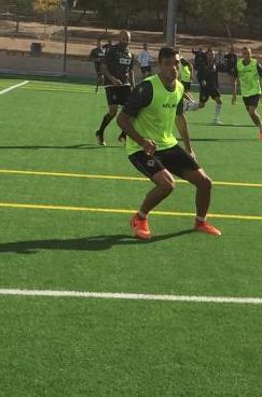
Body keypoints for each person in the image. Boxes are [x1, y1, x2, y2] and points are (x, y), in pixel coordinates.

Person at [116, 46, 221, 240]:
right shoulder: (147, 87)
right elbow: (121, 119)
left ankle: (200, 222)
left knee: (205, 183)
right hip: (140, 148)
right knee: (167, 185)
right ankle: (139, 218)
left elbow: (180, 118)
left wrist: (189, 148)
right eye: (168, 64)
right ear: (159, 65)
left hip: (168, 144)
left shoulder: (180, 87)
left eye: (177, 63)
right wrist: (142, 141)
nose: (173, 68)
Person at [96, 30, 135, 146]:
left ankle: (123, 136)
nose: (126, 41)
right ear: (119, 38)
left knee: (133, 112)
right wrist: (113, 79)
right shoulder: (112, 51)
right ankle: (100, 132)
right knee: (113, 112)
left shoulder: (130, 54)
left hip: (125, 85)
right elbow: (103, 68)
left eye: (128, 39)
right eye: (124, 38)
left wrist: (133, 86)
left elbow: (131, 71)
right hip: (112, 85)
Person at [231, 46, 262, 140]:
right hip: (245, 93)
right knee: (251, 115)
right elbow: (235, 79)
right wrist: (234, 94)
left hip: (255, 91)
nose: (246, 55)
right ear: (242, 55)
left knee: (252, 111)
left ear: (251, 54)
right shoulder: (239, 64)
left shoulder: (255, 63)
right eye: (244, 53)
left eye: (248, 53)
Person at [197, 49, 223, 125]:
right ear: (207, 55)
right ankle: (187, 107)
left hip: (213, 87)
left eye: (212, 54)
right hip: (205, 88)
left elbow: (223, 67)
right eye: (209, 54)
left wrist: (221, 58)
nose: (211, 56)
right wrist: (202, 81)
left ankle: (216, 119)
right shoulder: (202, 64)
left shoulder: (216, 64)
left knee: (219, 101)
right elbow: (199, 75)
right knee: (201, 105)